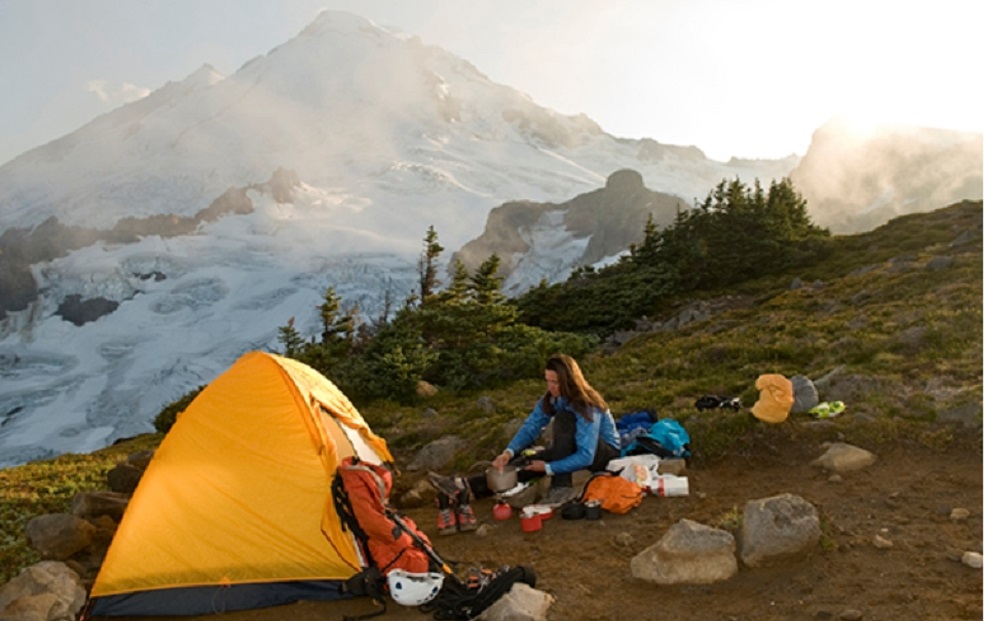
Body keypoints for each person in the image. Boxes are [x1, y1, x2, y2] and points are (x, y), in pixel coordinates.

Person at [429, 354, 620, 534]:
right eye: (548, 381)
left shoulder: (587, 405)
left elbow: (586, 455)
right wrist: (509, 452)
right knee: (526, 463)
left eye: (555, 382)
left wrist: (549, 467)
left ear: (569, 380)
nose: (551, 386)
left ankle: (561, 487)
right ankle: (465, 486)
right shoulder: (552, 398)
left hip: (603, 454)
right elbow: (532, 426)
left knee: (563, 421)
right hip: (573, 448)